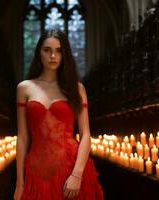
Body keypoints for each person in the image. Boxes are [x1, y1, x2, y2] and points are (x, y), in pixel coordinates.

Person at [14, 29, 104, 200]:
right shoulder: (24, 88)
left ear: (65, 54)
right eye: (47, 50)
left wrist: (77, 175)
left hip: (71, 168)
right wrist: (20, 183)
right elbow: (22, 137)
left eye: (59, 50)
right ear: (39, 53)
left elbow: (85, 135)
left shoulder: (77, 88)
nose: (53, 56)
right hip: (36, 170)